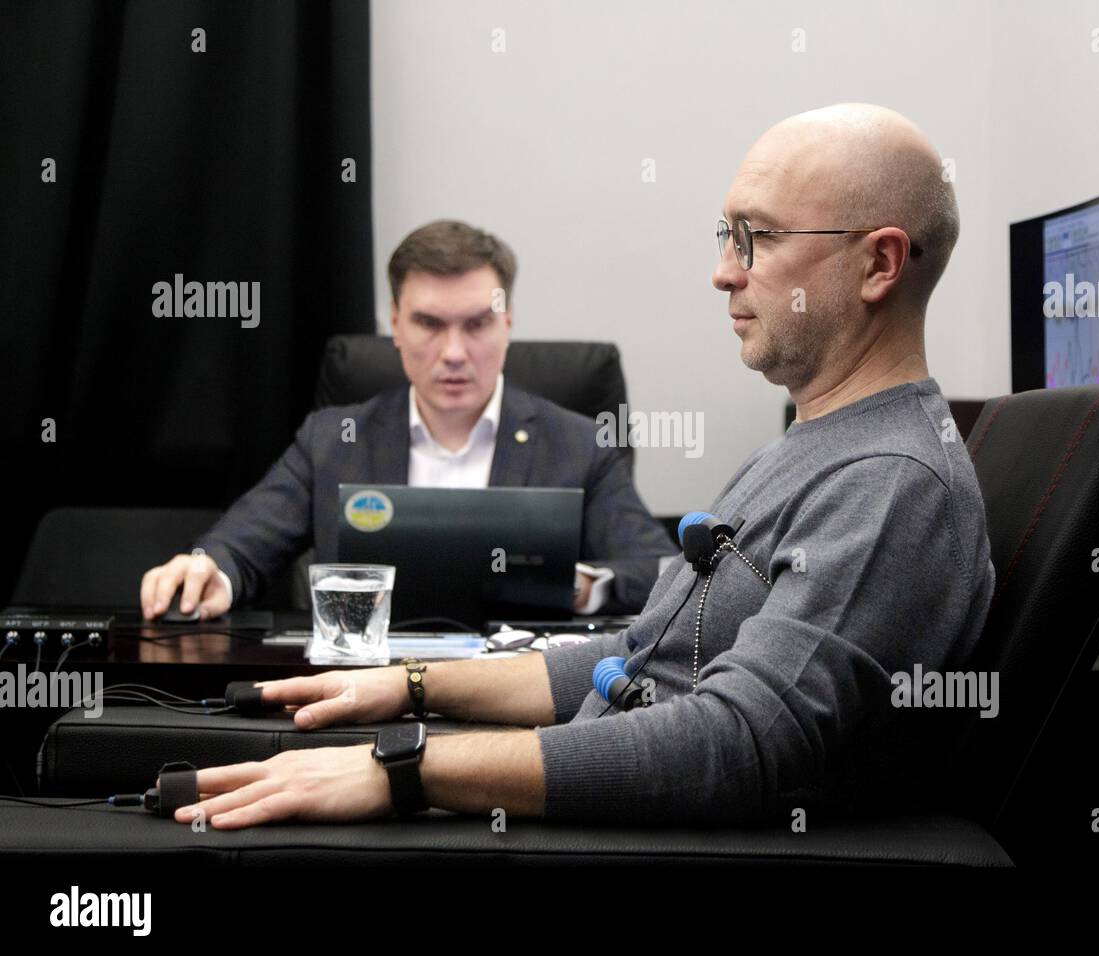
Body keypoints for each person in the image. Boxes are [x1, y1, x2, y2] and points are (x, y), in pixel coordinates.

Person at [165, 104, 997, 830]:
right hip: (599, 776)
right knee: (197, 761)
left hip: (650, 836)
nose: (723, 270)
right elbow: (637, 654)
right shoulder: (805, 450)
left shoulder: (890, 484)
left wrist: (406, 767)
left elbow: (735, 745)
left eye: (758, 237)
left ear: (880, 264)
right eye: (726, 236)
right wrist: (413, 687)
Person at [139, 220, 677, 621]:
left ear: (507, 324)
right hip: (361, 696)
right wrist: (209, 567)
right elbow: (241, 546)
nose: (454, 352)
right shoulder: (333, 439)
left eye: (477, 325)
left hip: (516, 707)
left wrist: (582, 584)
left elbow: (659, 570)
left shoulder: (578, 444)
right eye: (428, 324)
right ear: (395, 325)